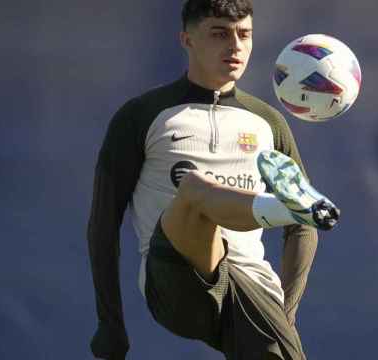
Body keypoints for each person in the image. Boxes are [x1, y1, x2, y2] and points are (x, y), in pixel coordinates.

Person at [87, 1, 340, 359]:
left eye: (244, 34)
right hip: (175, 281)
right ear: (187, 39)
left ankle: (290, 210)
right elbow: (102, 225)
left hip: (250, 288)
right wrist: (110, 323)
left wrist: (285, 317)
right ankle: (286, 208)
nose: (235, 46)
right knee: (194, 189)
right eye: (219, 33)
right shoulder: (142, 116)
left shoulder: (268, 122)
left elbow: (305, 231)